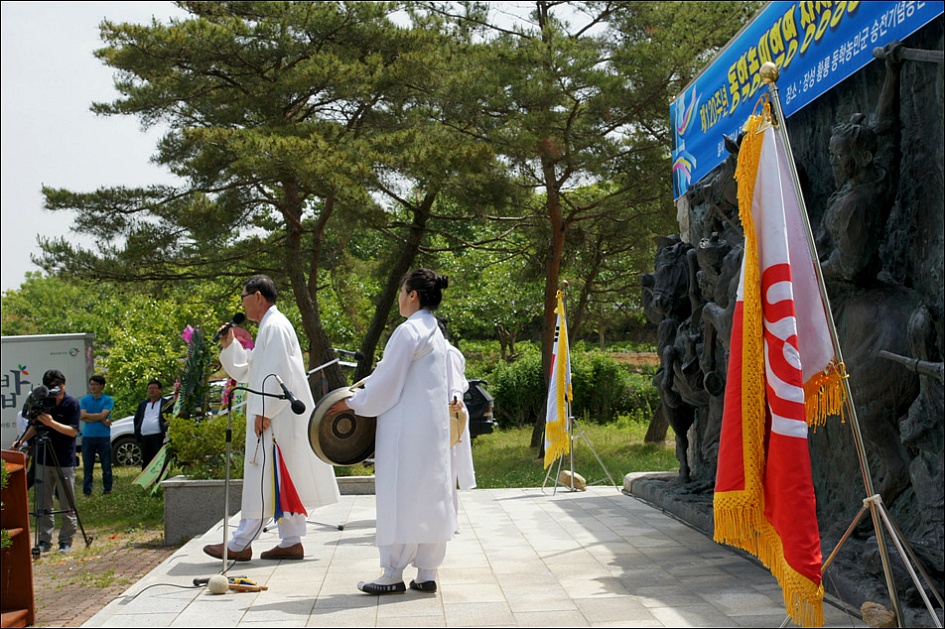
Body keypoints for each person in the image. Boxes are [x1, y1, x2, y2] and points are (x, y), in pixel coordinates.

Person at [331, 268, 455, 595]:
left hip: (406, 432)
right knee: (430, 496)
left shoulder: (408, 331)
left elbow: (386, 383)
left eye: (402, 291)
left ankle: (393, 572)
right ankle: (427, 571)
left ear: (412, 294)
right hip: (433, 431)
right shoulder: (436, 333)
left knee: (401, 495)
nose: (399, 297)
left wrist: (353, 403)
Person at [204, 274, 339, 562]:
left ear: (257, 297)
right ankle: (291, 540)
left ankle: (240, 543)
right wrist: (230, 345)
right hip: (276, 414)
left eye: (243, 297)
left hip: (275, 414)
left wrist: (264, 411)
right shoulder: (270, 326)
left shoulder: (275, 326)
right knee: (280, 476)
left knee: (263, 475)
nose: (241, 303)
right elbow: (250, 369)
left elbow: (277, 372)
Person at [13, 369, 80, 554]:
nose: (54, 392)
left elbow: (73, 431)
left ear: (64, 386)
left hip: (64, 460)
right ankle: (44, 540)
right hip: (43, 458)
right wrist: (20, 442)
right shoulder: (42, 402)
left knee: (67, 502)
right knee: (43, 501)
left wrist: (52, 423)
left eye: (57, 387)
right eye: (50, 388)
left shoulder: (71, 404)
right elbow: (34, 426)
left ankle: (66, 540)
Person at [438, 318, 477, 519]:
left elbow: (455, 384)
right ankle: (444, 516)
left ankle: (449, 518)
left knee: (448, 469)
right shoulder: (436, 353)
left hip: (451, 414)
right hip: (443, 414)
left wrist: (456, 399)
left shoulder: (449, 353)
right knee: (442, 470)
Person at [79, 375, 114, 496]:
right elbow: (82, 416)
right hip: (88, 436)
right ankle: (87, 490)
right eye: (91, 384)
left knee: (106, 465)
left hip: (103, 436)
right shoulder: (84, 400)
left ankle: (107, 489)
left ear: (102, 386)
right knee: (88, 466)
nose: (93, 387)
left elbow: (102, 414)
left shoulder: (108, 400)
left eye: (95, 384)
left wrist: (94, 417)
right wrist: (101, 418)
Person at [133, 379, 173, 469]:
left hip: (159, 437)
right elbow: (137, 419)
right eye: (149, 388)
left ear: (160, 390)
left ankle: (159, 480)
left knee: (159, 461)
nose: (151, 390)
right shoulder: (143, 404)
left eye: (154, 388)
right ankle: (146, 481)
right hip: (145, 438)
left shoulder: (165, 404)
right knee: (146, 461)